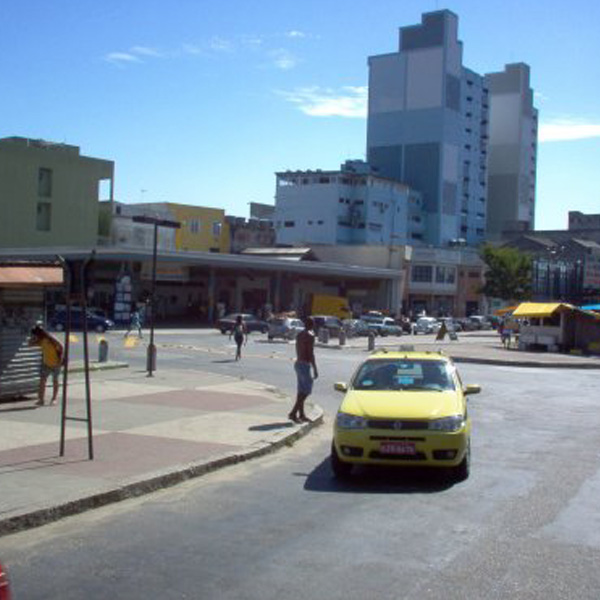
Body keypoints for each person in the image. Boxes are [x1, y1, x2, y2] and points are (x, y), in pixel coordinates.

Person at [288, 317, 319, 423]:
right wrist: (315, 368)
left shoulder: (300, 334)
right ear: (312, 325)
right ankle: (293, 413)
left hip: (298, 363)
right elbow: (310, 353)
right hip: (305, 364)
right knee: (306, 391)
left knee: (301, 391)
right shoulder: (310, 336)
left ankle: (301, 414)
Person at [29, 325, 63, 407]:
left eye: (35, 334)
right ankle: (41, 400)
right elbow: (30, 344)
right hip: (46, 363)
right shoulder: (41, 340)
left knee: (55, 381)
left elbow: (61, 346)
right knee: (42, 381)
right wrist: (33, 338)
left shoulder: (51, 338)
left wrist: (61, 359)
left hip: (56, 363)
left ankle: (54, 399)